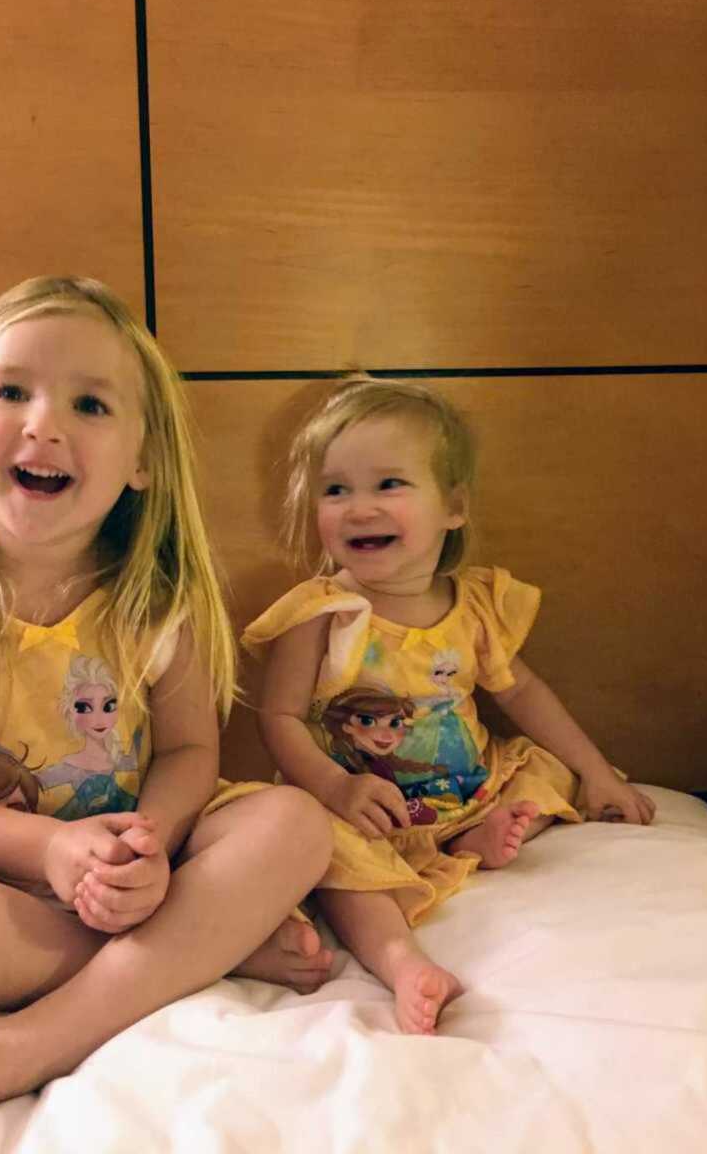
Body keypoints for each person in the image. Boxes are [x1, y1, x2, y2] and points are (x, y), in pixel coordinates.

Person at [0, 276, 333, 1141]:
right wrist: (51, 848)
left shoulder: (158, 602)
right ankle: (199, 948)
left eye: (89, 404)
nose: (42, 423)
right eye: (11, 391)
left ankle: (31, 1041)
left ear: (142, 462)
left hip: (141, 864)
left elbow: (188, 754)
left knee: (296, 824)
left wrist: (147, 846)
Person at [244, 374, 655, 1038]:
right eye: (336, 489)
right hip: (366, 809)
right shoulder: (322, 614)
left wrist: (599, 770)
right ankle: (402, 962)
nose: (359, 507)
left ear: (453, 507)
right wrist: (335, 786)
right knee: (332, 862)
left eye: (389, 485)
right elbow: (279, 719)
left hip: (470, 788)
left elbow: (524, 694)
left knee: (545, 772)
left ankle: (466, 839)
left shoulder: (475, 606)